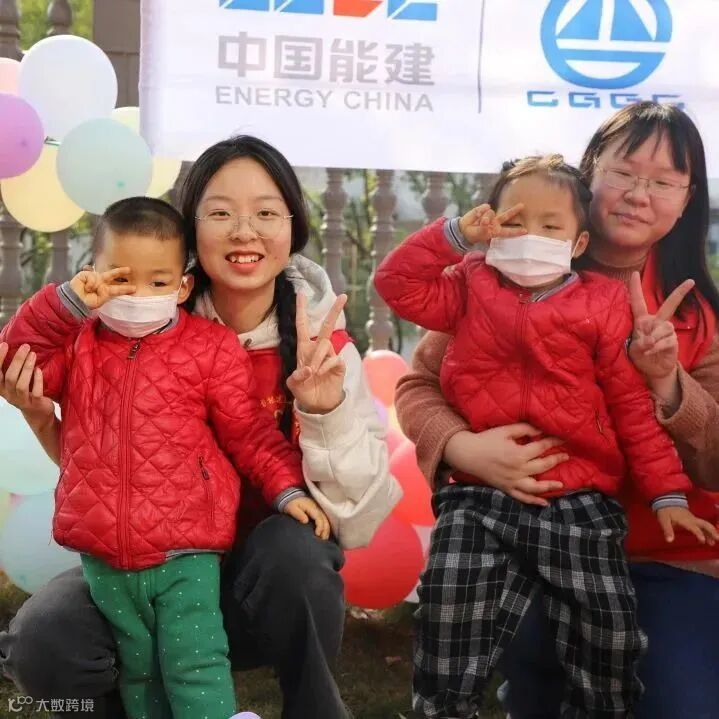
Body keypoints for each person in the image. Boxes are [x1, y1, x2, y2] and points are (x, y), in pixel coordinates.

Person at [0, 135, 401, 719]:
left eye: (266, 213)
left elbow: (335, 503)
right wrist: (41, 411)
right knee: (44, 640)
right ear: (191, 231)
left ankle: (314, 705)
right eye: (220, 213)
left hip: (243, 583)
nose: (244, 232)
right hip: (130, 560)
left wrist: (323, 412)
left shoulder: (313, 348)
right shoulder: (111, 335)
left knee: (295, 557)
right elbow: (110, 458)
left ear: (293, 225)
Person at [394, 102, 719, 719]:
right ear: (591, 173)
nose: (638, 195)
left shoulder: (698, 314)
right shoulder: (506, 274)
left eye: (663, 182)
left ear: (686, 200)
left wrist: (667, 380)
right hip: (529, 523)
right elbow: (419, 385)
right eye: (623, 172)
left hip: (666, 551)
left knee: (677, 702)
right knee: (514, 649)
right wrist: (464, 448)